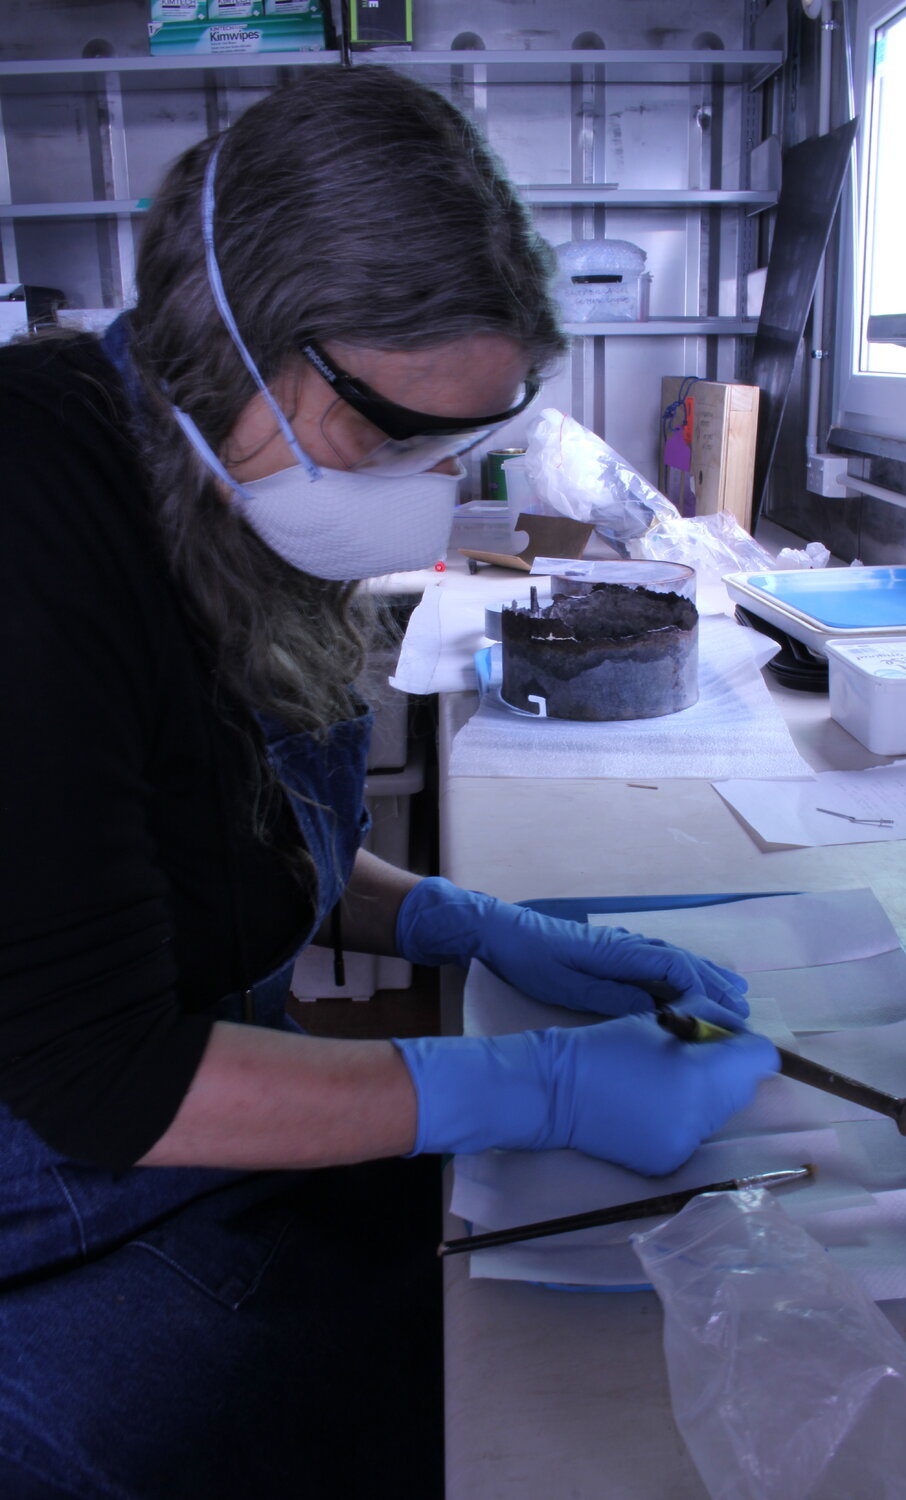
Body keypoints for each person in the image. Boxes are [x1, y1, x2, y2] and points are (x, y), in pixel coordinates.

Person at [0, 66, 777, 1499]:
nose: (428, 495)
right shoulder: (34, 520)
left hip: (158, 1118)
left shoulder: (216, 487)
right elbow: (102, 1078)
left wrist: (468, 923)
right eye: (397, 438)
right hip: (50, 1191)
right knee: (463, 1400)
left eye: (462, 448)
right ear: (227, 333)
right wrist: (535, 1084)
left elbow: (215, 835)